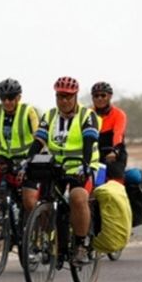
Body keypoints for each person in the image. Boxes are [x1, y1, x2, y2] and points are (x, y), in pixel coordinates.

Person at [23, 76, 101, 265]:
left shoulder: (86, 116)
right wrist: (27, 160)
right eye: (60, 96)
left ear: (75, 97)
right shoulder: (49, 116)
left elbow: (89, 142)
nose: (63, 101)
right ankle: (51, 242)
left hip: (83, 166)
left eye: (68, 97)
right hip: (56, 166)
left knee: (77, 197)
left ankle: (82, 244)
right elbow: (39, 141)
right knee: (46, 199)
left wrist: (86, 164)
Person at [90, 81, 128, 182]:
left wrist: (115, 151)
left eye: (103, 95)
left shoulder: (119, 114)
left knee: (115, 179)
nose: (99, 98)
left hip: (113, 152)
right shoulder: (88, 114)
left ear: (110, 96)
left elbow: (118, 134)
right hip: (93, 153)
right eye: (96, 96)